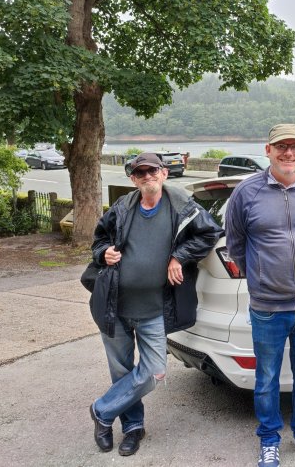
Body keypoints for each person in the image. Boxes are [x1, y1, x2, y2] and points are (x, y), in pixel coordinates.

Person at [89, 152, 223, 456]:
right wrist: (104, 253)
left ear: (164, 174)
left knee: (153, 372)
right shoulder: (122, 208)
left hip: (154, 310)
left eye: (153, 171)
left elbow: (211, 233)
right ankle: (133, 428)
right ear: (133, 179)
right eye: (140, 173)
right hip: (115, 306)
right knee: (121, 372)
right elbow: (98, 240)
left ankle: (102, 410)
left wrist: (179, 256)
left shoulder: (182, 207)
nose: (147, 176)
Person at [225, 124, 295, 467]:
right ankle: (269, 439)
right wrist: (262, 277)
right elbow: (236, 246)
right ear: (267, 150)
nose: (289, 153)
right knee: (267, 379)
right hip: (268, 307)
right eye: (281, 146)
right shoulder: (247, 192)